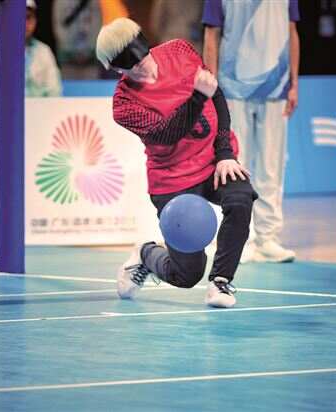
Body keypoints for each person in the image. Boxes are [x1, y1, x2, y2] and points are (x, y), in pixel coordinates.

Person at [95, 18, 256, 308]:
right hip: (173, 181)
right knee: (186, 275)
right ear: (117, 70)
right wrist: (197, 96)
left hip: (213, 162)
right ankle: (146, 254)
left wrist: (225, 153)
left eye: (143, 57)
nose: (143, 67)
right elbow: (167, 134)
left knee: (240, 196)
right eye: (132, 66)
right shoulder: (124, 105)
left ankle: (220, 281)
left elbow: (216, 95)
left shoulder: (179, 50)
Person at [202, 0, 300, 263]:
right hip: (233, 86)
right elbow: (211, 33)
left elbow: (291, 30)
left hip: (276, 86)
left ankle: (268, 238)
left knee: (271, 166)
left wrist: (293, 83)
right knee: (234, 164)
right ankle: (236, 239)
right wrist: (211, 85)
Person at [0, 0, 62, 97]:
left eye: (28, 17)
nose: (24, 22)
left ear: (35, 20)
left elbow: (54, 92)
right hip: (3, 107)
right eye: (18, 16)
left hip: (42, 107)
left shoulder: (44, 51)